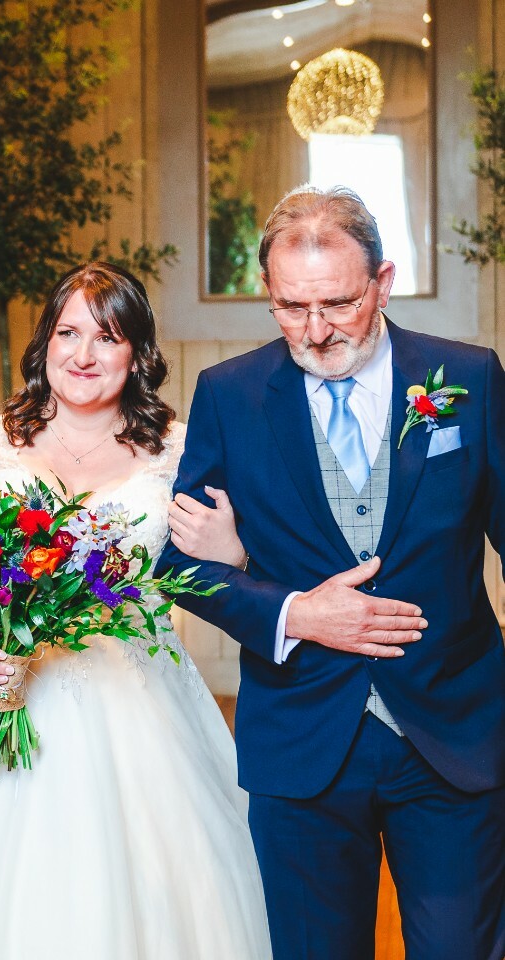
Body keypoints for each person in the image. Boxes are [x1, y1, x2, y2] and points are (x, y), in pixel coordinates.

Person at [0, 263, 272, 959]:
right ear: (44, 343)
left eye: (107, 338)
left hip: (141, 707)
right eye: (68, 333)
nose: (83, 355)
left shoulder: (183, 448)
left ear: (137, 352)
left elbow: (228, 570)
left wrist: (236, 553)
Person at [157, 186, 505, 960]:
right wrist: (295, 613)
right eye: (289, 307)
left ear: (382, 282)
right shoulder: (230, 395)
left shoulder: (469, 378)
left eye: (339, 304)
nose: (314, 332)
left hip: (453, 734)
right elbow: (179, 568)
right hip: (302, 743)